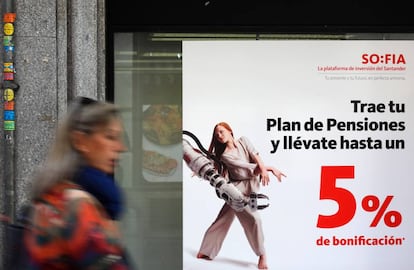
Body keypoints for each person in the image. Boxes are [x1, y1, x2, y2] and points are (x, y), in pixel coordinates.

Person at [23, 96, 133, 269]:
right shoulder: (77, 206)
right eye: (110, 137)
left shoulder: (56, 194)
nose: (121, 147)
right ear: (80, 141)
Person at [196, 122, 286, 269]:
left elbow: (255, 155)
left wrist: (264, 168)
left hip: (251, 188)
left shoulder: (244, 140)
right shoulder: (225, 155)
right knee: (252, 218)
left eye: (221, 131)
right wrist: (269, 168)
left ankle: (206, 251)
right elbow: (246, 168)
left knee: (229, 217)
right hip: (236, 189)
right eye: (216, 134)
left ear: (230, 131)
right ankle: (262, 255)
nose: (219, 135)